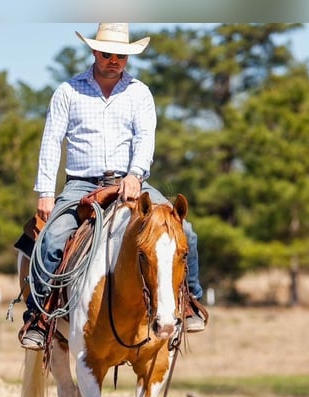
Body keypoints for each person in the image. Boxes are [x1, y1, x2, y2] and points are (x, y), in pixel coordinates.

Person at [21, 23, 206, 350]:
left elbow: (145, 137)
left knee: (185, 231)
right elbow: (51, 141)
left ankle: (189, 302)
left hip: (133, 182)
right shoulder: (68, 91)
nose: (114, 61)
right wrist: (46, 192)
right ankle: (39, 318)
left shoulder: (139, 93)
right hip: (81, 184)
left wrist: (135, 174)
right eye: (108, 54)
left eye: (121, 55)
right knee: (51, 239)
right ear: (94, 52)